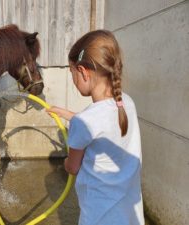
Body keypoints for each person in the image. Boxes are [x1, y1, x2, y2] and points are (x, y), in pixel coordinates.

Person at [47, 30, 144, 225]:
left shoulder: (86, 121)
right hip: (129, 215)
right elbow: (103, 125)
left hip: (99, 216)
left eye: (72, 73)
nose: (73, 81)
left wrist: (64, 163)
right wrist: (69, 115)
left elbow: (72, 167)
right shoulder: (126, 103)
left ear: (83, 71)